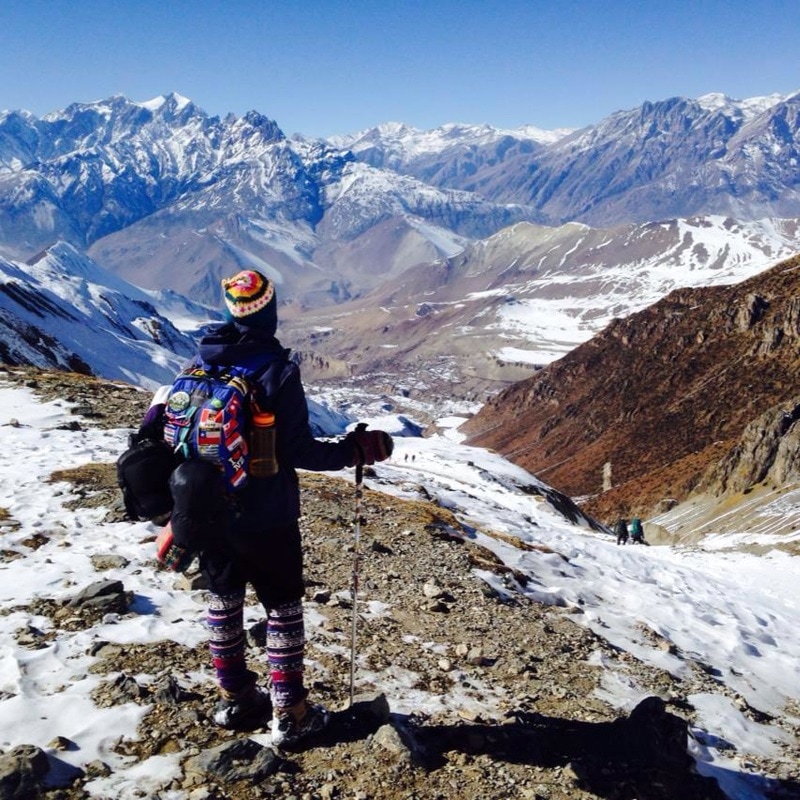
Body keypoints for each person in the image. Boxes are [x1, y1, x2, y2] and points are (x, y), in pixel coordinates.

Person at [167, 269, 392, 748]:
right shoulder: (276, 371)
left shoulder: (199, 365)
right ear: (269, 311)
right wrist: (356, 450)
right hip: (267, 515)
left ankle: (237, 699)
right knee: (282, 609)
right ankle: (291, 712)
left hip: (210, 511)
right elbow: (301, 452)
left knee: (223, 604)